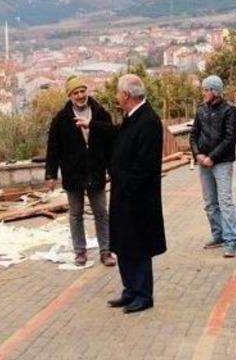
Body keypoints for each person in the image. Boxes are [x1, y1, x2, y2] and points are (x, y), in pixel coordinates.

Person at [77, 74, 166, 314]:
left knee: (138, 246)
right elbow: (117, 134)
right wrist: (91, 125)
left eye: (118, 92)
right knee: (124, 245)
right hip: (125, 195)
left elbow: (145, 164)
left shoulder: (148, 121)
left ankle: (143, 294)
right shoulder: (132, 116)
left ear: (126, 95)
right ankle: (130, 290)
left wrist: (127, 187)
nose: (116, 96)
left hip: (137, 198)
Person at [45, 75, 116, 267]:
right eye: (75, 93)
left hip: (96, 171)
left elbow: (112, 138)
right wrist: (51, 174)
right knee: (76, 214)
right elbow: (53, 148)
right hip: (73, 173)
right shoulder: (61, 119)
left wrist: (113, 169)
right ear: (70, 96)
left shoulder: (100, 113)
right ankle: (80, 252)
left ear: (87, 91)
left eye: (82, 91)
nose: (80, 95)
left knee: (101, 212)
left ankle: (106, 251)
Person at [190, 74, 236, 258]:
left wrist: (212, 157)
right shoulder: (201, 110)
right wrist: (198, 154)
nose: (203, 93)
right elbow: (193, 134)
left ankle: (231, 240)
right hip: (204, 162)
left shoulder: (229, 111)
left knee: (225, 201)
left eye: (205, 89)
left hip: (222, 163)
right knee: (210, 202)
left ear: (214, 91)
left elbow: (230, 138)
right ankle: (218, 235)